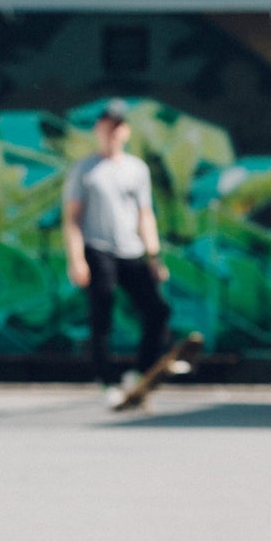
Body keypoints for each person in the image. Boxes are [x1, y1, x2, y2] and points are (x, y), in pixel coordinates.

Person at [63, 100, 174, 400]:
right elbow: (72, 218)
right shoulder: (85, 169)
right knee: (102, 312)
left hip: (132, 251)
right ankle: (107, 380)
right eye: (106, 127)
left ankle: (141, 372)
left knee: (157, 310)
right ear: (99, 129)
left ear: (124, 131)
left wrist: (154, 256)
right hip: (98, 250)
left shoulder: (137, 169)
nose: (111, 133)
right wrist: (76, 259)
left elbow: (145, 215)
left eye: (117, 127)